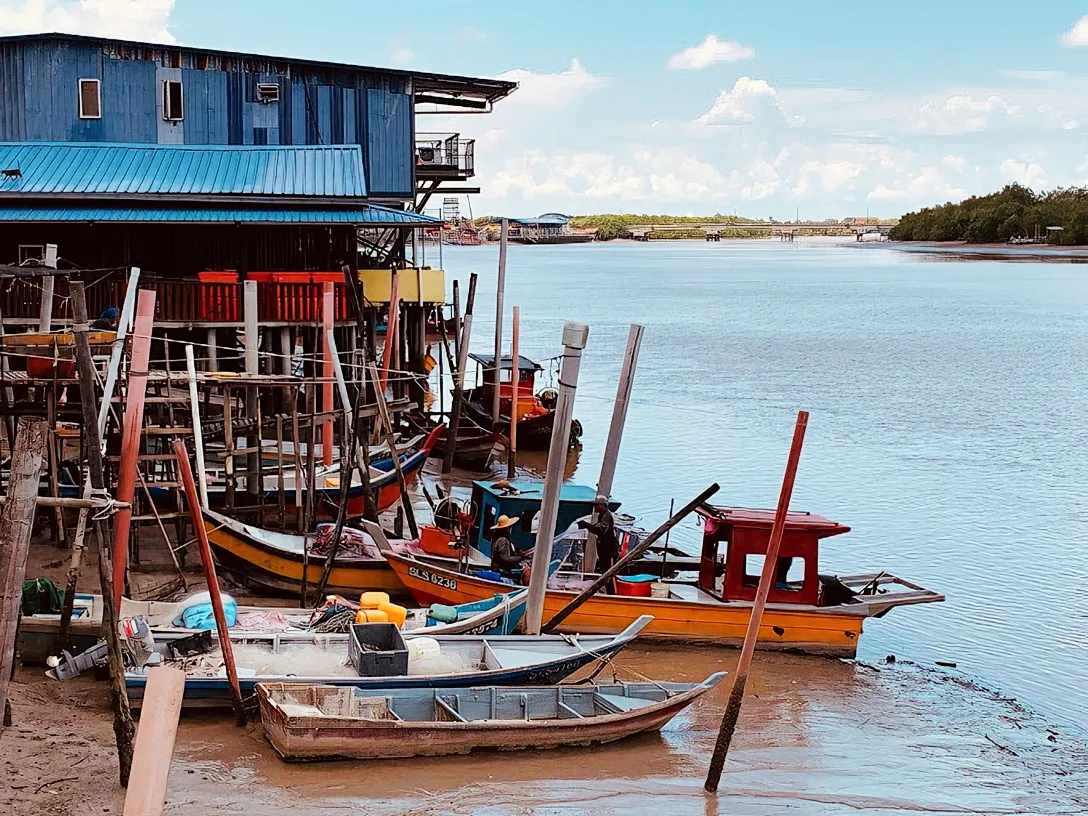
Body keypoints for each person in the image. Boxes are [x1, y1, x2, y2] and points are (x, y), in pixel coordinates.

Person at [578, 494, 619, 574]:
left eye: (596, 505)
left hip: (608, 547)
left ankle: (609, 585)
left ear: (603, 505)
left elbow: (600, 530)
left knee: (607, 568)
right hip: (603, 545)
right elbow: (597, 528)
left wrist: (587, 525)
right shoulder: (601, 515)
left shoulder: (606, 516)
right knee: (604, 566)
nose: (595, 507)